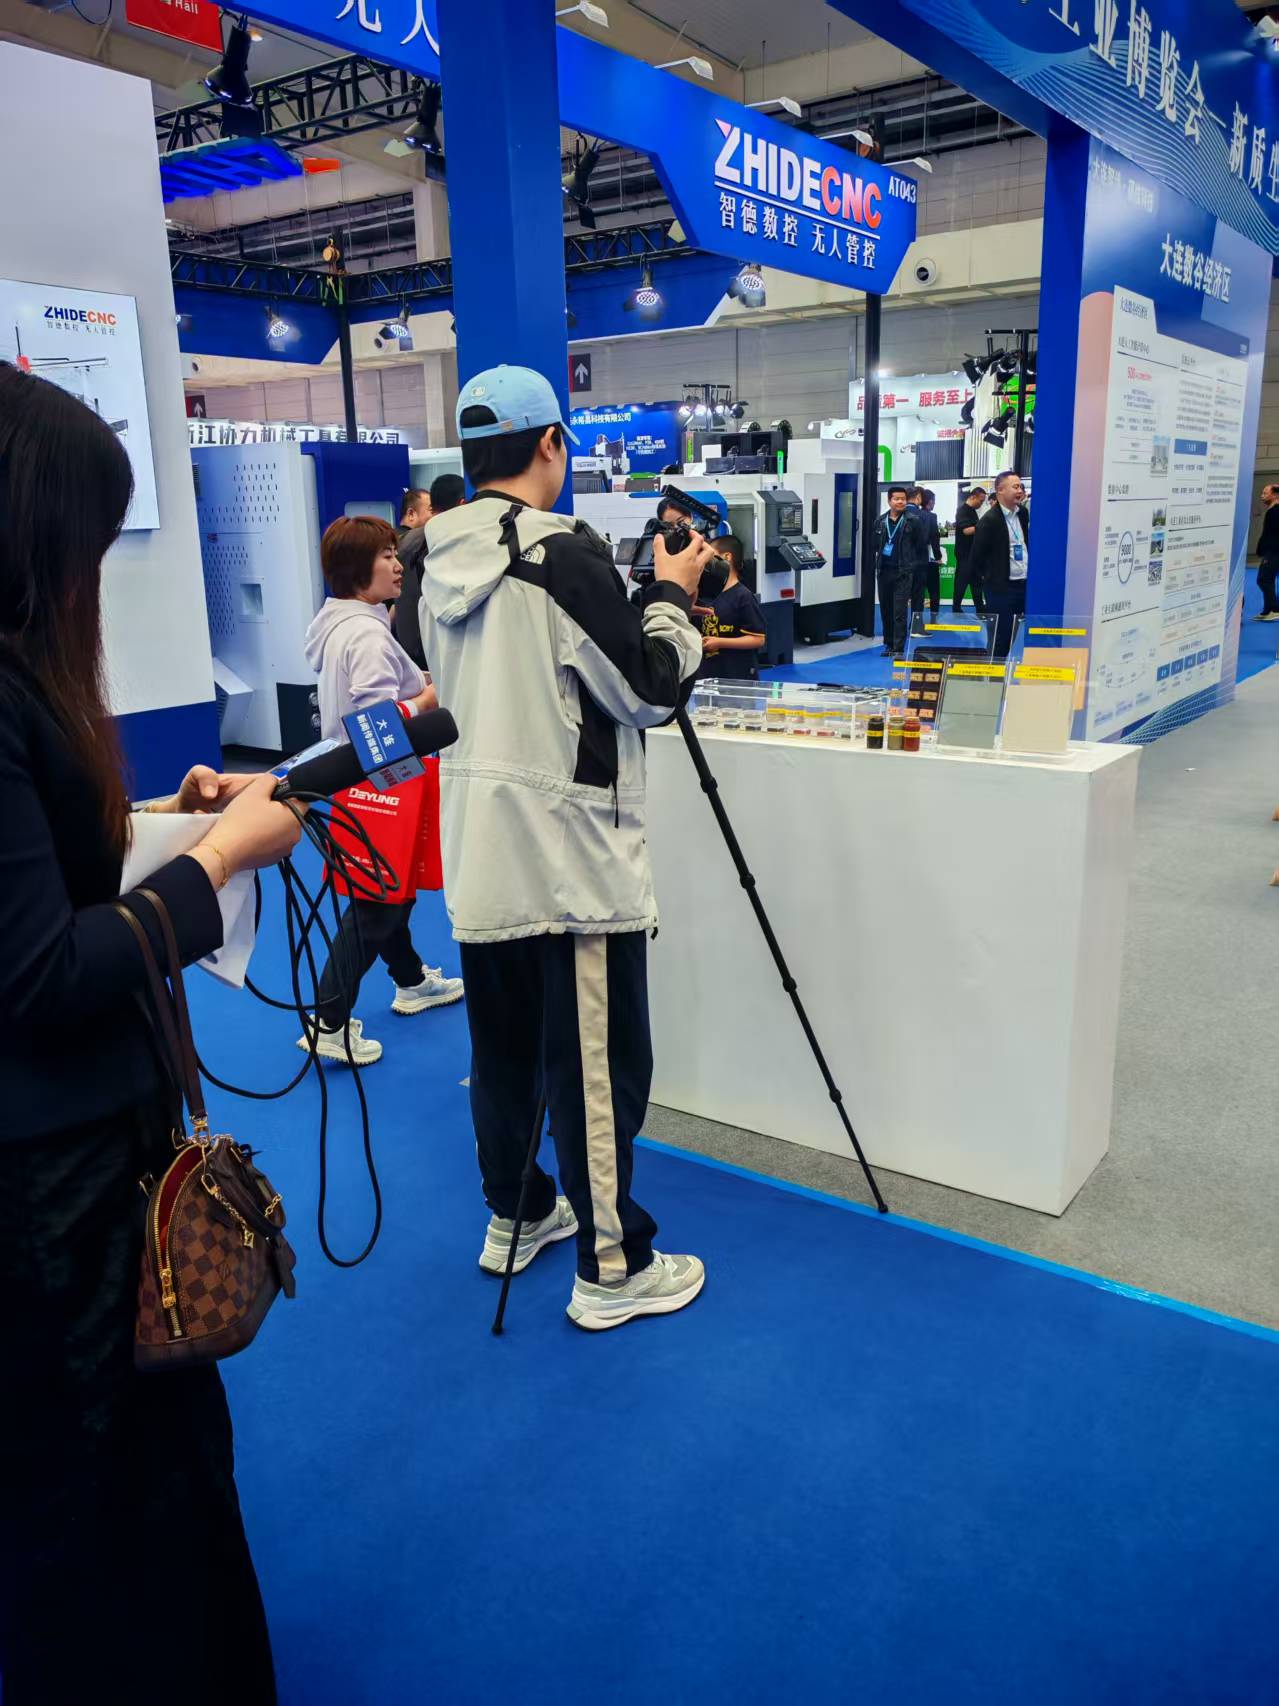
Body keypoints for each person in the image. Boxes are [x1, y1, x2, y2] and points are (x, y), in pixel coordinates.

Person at [0, 365, 301, 1703]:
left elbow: (34, 885)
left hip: (73, 1169)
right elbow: (40, 970)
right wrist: (219, 857)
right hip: (49, 1193)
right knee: (99, 1496)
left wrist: (163, 831)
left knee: (132, 1475)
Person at [420, 363, 712, 1332]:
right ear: (551, 443)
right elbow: (648, 691)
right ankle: (612, 1265)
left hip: (481, 848)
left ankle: (517, 1210)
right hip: (573, 860)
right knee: (595, 1067)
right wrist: (669, 595)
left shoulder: (429, 559)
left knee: (503, 1053)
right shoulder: (561, 555)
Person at [301, 516, 463, 1066]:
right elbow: (375, 722)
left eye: (396, 553)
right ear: (356, 568)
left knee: (390, 893)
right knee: (378, 903)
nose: (398, 565)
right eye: (386, 555)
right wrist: (426, 701)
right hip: (381, 783)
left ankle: (411, 980)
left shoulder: (345, 624)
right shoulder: (367, 634)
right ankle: (328, 1021)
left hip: (364, 783)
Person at [394, 472, 466, 668]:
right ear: (462, 505)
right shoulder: (441, 542)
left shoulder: (408, 541)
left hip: (410, 650)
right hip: (434, 653)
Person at [971, 469, 1030, 656]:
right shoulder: (988, 521)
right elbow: (976, 558)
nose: (1019, 490)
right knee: (999, 639)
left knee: (1015, 636)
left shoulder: (1023, 513)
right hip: (1001, 591)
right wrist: (991, 580)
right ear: (1000, 490)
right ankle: (993, 673)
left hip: (1024, 585)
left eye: (1020, 486)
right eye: (1015, 487)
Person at [697, 534, 766, 680]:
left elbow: (758, 639)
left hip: (737, 675)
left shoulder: (743, 597)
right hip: (707, 674)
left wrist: (720, 642)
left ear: (727, 557)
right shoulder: (705, 594)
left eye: (710, 554)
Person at [873, 485, 925, 657]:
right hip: (884, 572)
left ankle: (898, 648)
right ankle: (888, 644)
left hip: (903, 572)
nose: (900, 502)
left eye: (903, 499)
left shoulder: (913, 521)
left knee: (899, 612)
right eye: (896, 499)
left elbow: (920, 546)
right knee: (886, 610)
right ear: (889, 501)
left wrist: (913, 567)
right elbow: (875, 545)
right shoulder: (880, 521)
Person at [909, 487, 943, 625]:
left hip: (909, 560)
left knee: (914, 593)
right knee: (933, 590)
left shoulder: (906, 513)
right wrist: (938, 557)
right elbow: (935, 539)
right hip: (928, 560)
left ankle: (912, 623)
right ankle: (933, 620)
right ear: (930, 501)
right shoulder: (930, 517)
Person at [952, 485, 987, 613]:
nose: (981, 504)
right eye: (980, 501)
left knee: (976, 582)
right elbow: (966, 530)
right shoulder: (963, 511)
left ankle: (980, 607)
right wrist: (984, 525)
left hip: (973, 553)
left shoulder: (972, 511)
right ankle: (956, 607)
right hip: (965, 554)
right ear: (973, 497)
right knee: (962, 582)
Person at [1255, 483, 1279, 621]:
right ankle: (1268, 610)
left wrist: (1265, 550)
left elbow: (1271, 535)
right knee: (1266, 579)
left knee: (1264, 580)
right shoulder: (1272, 511)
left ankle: (1274, 610)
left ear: (1275, 495)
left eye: (1265, 493)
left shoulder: (1275, 512)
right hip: (1271, 551)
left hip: (1273, 551)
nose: (1262, 496)